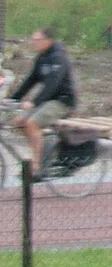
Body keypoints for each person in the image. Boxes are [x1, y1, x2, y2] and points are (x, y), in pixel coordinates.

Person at [8, 29, 78, 177]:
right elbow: (31, 79)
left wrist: (34, 102)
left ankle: (37, 167)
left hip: (63, 101)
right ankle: (43, 150)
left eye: (37, 40)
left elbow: (52, 83)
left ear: (48, 40)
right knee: (20, 121)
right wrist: (13, 99)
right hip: (48, 101)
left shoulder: (59, 57)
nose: (34, 43)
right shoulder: (42, 57)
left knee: (32, 123)